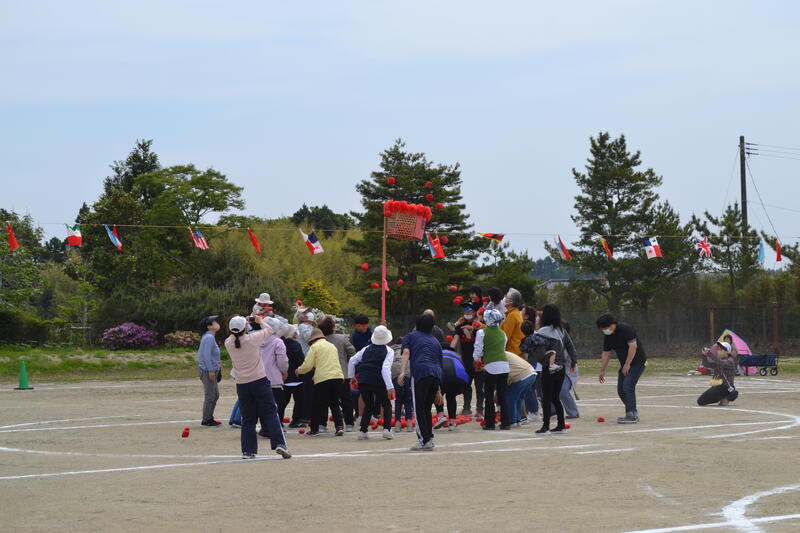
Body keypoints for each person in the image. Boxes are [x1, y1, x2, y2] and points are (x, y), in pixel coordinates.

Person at [224, 315, 290, 459]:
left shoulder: (228, 343)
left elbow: (237, 335)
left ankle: (248, 451)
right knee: (271, 412)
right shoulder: (252, 339)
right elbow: (269, 330)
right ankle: (279, 443)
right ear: (244, 328)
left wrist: (244, 324)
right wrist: (260, 321)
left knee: (248, 418)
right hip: (259, 381)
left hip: (242, 384)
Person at [399, 313, 444, 451]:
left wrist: (402, 372)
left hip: (420, 372)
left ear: (416, 324)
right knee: (426, 408)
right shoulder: (436, 341)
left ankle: (424, 440)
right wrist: (438, 389)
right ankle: (429, 438)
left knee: (419, 408)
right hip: (435, 374)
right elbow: (440, 363)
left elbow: (406, 353)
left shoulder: (410, 336)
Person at [526, 304, 573, 434]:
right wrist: (573, 362)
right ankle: (561, 425)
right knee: (555, 397)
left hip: (549, 367)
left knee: (546, 397)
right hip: (561, 367)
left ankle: (545, 426)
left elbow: (538, 350)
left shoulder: (543, 332)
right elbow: (570, 347)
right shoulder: (561, 330)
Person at [347, 325, 396, 440]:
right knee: (386, 404)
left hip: (364, 380)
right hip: (379, 380)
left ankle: (363, 431)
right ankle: (387, 430)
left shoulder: (366, 348)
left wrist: (351, 377)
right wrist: (390, 386)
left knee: (368, 405)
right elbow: (385, 368)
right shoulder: (389, 351)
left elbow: (352, 360)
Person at [596, 314, 647, 424]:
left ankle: (631, 415)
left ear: (612, 324)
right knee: (621, 390)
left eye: (605, 328)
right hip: (625, 364)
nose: (605, 330)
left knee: (628, 386)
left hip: (638, 362)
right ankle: (632, 411)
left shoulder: (626, 329)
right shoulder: (608, 336)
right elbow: (606, 353)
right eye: (602, 329)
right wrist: (602, 370)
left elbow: (633, 346)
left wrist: (628, 363)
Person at [295, 327, 345, 436]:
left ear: (313, 339)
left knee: (317, 404)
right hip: (338, 377)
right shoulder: (332, 346)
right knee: (335, 404)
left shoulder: (315, 347)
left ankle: (314, 429)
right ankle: (339, 427)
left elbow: (308, 365)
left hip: (323, 378)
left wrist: (299, 370)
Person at [473, 309, 511, 430]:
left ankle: (490, 423)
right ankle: (506, 423)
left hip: (491, 366)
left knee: (489, 395)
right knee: (502, 395)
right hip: (504, 365)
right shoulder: (503, 333)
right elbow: (503, 348)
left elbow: (478, 350)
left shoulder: (481, 332)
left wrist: (477, 360)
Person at [318, 317, 357, 431]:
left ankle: (322, 424)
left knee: (324, 400)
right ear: (333, 327)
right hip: (342, 373)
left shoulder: (320, 340)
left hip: (324, 374)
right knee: (346, 399)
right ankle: (349, 423)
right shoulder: (342, 338)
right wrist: (347, 362)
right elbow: (352, 352)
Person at [259, 321, 289, 437]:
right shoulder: (278, 341)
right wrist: (284, 371)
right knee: (277, 405)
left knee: (262, 405)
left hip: (259, 377)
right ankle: (275, 428)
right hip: (275, 378)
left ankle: (264, 428)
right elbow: (282, 361)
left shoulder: (256, 339)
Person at [451, 304, 481, 416]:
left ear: (474, 312)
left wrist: (472, 328)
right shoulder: (460, 324)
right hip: (466, 360)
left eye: (469, 309)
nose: (467, 311)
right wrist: (449, 351)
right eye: (465, 309)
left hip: (478, 360)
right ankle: (466, 408)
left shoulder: (480, 325)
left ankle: (480, 409)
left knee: (479, 385)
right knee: (466, 384)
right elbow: (455, 340)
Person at [435, 344, 469, 430]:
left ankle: (441, 416)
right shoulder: (457, 355)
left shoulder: (437, 354)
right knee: (451, 396)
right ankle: (452, 423)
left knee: (436, 393)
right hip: (459, 378)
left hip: (443, 375)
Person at [279, 324, 306, 427]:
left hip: (283, 377)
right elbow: (301, 360)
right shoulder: (295, 345)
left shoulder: (280, 343)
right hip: (296, 378)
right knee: (299, 401)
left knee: (283, 401)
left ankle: (278, 420)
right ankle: (296, 420)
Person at [198, 315, 222, 427]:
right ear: (209, 326)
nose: (217, 323)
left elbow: (211, 355)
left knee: (215, 395)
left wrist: (218, 365)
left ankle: (209, 417)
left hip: (211, 369)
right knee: (210, 396)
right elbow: (206, 355)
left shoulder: (210, 336)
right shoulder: (209, 337)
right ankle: (206, 420)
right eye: (214, 322)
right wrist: (211, 370)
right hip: (208, 370)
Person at [697, 342, 738, 406]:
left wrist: (709, 353)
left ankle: (728, 396)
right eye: (718, 350)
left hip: (726, 386)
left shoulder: (730, 361)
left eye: (721, 350)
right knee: (700, 401)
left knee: (702, 401)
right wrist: (704, 355)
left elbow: (720, 362)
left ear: (727, 352)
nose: (718, 351)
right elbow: (706, 364)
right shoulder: (719, 360)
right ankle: (725, 396)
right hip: (718, 386)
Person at [505, 351, 537, 427]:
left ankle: (512, 421)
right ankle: (518, 420)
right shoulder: (507, 353)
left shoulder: (499, 356)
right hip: (532, 373)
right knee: (519, 398)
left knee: (511, 398)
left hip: (521, 375)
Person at [391, 340, 414, 432]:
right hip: (407, 373)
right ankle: (409, 424)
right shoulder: (409, 349)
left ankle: (397, 425)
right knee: (408, 400)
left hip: (395, 374)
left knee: (398, 400)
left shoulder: (391, 350)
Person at [560, 321, 580, 419]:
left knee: (562, 390)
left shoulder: (567, 342)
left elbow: (573, 357)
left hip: (568, 371)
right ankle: (552, 411)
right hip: (556, 370)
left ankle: (573, 412)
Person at [501, 288, 525, 356]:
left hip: (512, 352)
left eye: (506, 297)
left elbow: (505, 336)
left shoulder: (512, 315)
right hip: (516, 351)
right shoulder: (514, 313)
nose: (504, 298)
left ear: (510, 302)